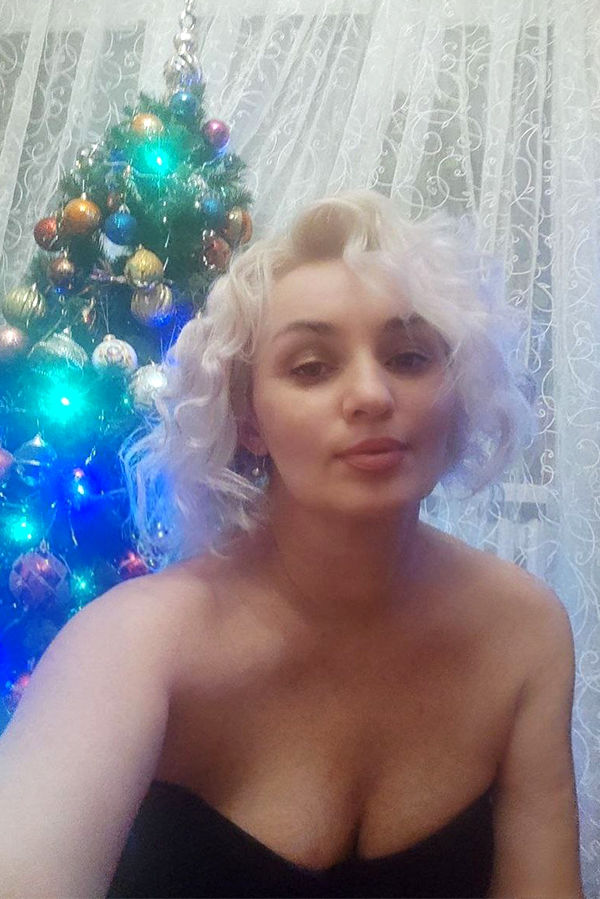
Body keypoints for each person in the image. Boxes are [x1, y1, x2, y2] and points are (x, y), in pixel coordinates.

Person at [0, 190, 584, 898]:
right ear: (249, 419)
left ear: (454, 390)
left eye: (408, 357)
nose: (371, 394)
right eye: (311, 367)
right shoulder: (132, 645)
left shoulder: (524, 632)